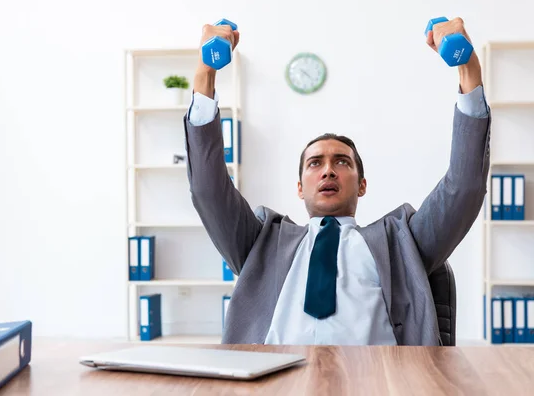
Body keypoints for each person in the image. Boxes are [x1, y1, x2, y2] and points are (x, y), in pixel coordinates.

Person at [182, 18, 491, 346]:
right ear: (299, 187)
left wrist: (468, 69)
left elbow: (464, 187)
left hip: (377, 383)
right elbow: (208, 189)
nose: (328, 171)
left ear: (362, 185)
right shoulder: (260, 242)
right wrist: (205, 72)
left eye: (342, 162)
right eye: (315, 163)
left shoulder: (404, 241)